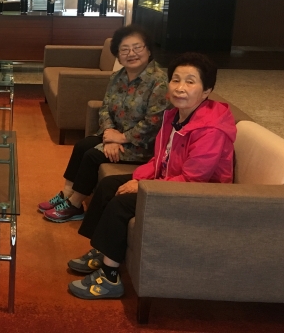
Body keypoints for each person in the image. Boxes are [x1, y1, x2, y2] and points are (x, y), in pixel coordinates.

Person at [67, 52, 235, 300]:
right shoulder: (175, 115)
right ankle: (102, 251)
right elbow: (159, 158)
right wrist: (138, 178)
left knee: (121, 204)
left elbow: (194, 180)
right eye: (176, 80)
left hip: (198, 196)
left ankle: (110, 277)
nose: (180, 88)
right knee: (108, 185)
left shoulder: (211, 130)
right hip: (168, 182)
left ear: (207, 90)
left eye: (190, 82)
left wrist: (144, 186)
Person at [39, 25, 169, 223]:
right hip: (116, 135)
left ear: (149, 50)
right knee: (83, 145)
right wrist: (109, 133)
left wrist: (122, 138)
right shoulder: (118, 76)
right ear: (118, 55)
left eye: (137, 47)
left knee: (93, 155)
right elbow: (105, 107)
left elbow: (154, 121)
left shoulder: (159, 81)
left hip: (142, 144)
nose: (131, 53)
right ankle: (66, 193)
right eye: (124, 49)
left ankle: (75, 205)